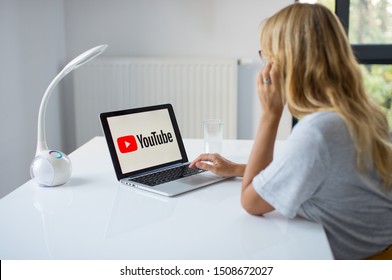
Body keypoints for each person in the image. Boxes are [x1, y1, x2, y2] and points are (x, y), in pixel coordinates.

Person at [190, 3, 392, 260]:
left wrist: (269, 116)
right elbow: (316, 173)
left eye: (268, 56)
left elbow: (251, 203)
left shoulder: (318, 132)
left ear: (289, 62)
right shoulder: (364, 114)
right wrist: (239, 169)